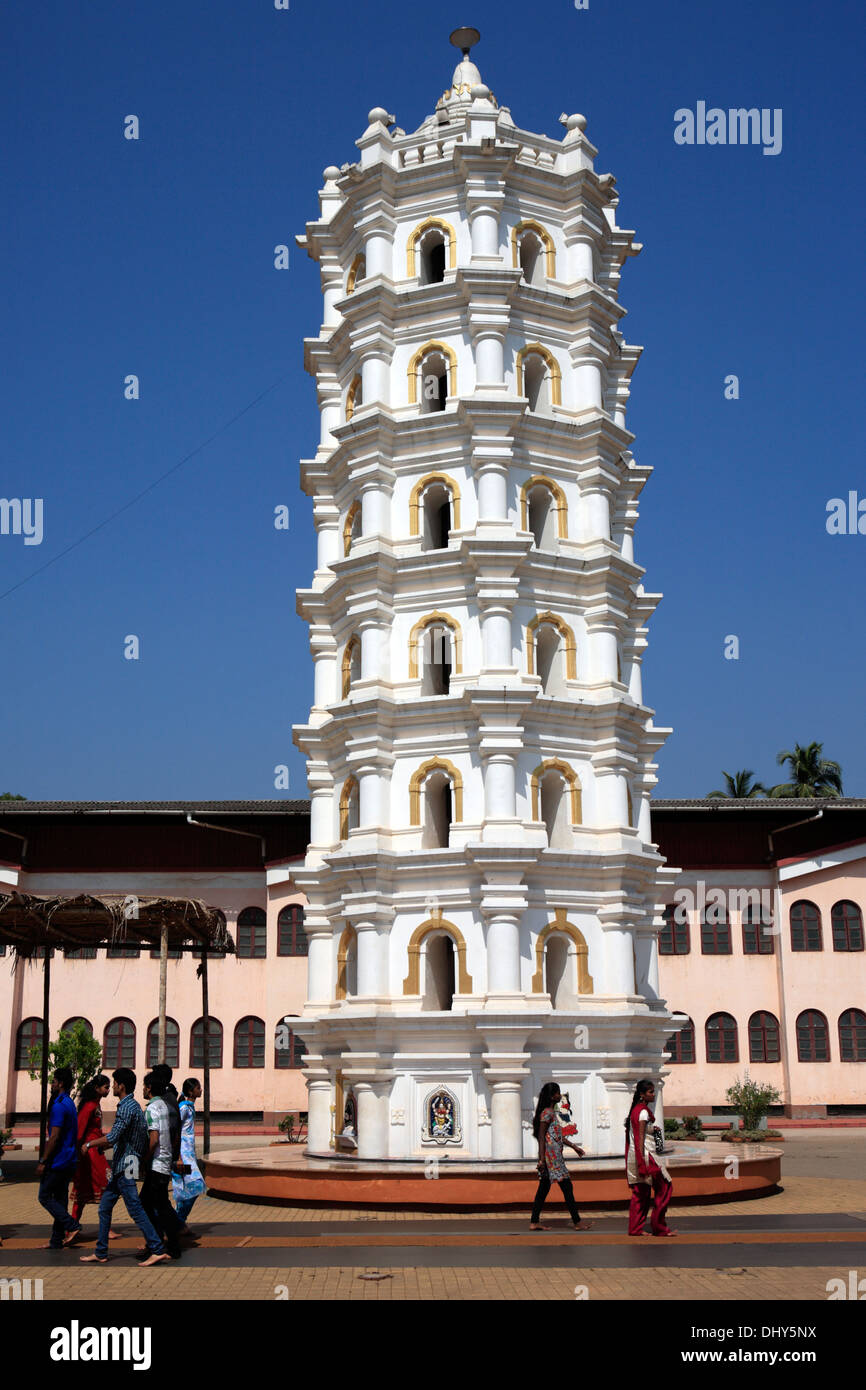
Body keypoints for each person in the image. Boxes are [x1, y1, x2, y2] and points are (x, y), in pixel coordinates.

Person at [79, 1068, 169, 1267]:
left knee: (135, 1208)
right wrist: (105, 1146)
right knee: (105, 1207)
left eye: (114, 1083)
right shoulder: (131, 1106)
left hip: (127, 1163)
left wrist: (89, 1145)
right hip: (124, 1163)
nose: (112, 1086)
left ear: (122, 1085)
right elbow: (120, 1138)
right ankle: (101, 1251)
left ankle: (157, 1248)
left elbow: (112, 1136)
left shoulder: (127, 1108)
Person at [530, 1082, 592, 1232]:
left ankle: (534, 1222)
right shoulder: (547, 1113)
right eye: (557, 1093)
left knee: (543, 1189)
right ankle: (577, 1222)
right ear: (552, 1096)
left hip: (554, 1157)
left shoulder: (551, 1113)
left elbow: (557, 1136)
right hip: (552, 1159)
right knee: (567, 1188)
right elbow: (541, 1136)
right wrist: (542, 1159)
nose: (560, 1095)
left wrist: (574, 1147)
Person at [36, 1066, 82, 1249]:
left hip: (58, 1160)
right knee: (60, 1198)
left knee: (45, 1196)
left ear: (60, 1083)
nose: (52, 1084)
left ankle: (72, 1225)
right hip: (69, 1159)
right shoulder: (69, 1103)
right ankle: (56, 1240)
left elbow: (54, 1137)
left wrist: (43, 1161)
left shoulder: (58, 1105)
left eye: (54, 1081)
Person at [625, 1078, 677, 1237]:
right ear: (642, 1095)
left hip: (637, 1155)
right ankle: (659, 1227)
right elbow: (640, 1138)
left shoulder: (636, 1110)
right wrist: (642, 1163)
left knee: (641, 1194)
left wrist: (651, 1130)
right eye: (650, 1092)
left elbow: (636, 1136)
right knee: (665, 1187)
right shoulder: (642, 1112)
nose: (653, 1094)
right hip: (646, 1155)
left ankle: (635, 1229)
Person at [139, 1073, 182, 1260]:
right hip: (164, 1162)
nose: (142, 1089)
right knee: (154, 1204)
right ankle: (161, 1242)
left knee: (154, 1205)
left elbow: (153, 1138)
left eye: (143, 1086)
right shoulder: (164, 1106)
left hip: (156, 1164)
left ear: (148, 1088)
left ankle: (164, 1245)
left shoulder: (151, 1109)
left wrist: (143, 1159)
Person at [70, 1075, 116, 1238]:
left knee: (85, 1190)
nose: (108, 1090)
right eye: (105, 1087)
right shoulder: (89, 1106)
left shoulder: (95, 1105)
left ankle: (73, 1227)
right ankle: (102, 1229)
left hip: (95, 1150)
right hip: (89, 1153)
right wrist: (78, 1152)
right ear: (96, 1088)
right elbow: (79, 1130)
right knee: (107, 1186)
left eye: (109, 1086)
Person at [173, 1078, 206, 1231]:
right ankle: (178, 1221)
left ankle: (179, 1222)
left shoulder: (190, 1108)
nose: (201, 1090)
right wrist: (179, 1157)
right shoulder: (184, 1108)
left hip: (189, 1154)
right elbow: (176, 1131)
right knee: (195, 1185)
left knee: (185, 1189)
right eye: (198, 1088)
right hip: (183, 1156)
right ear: (191, 1091)